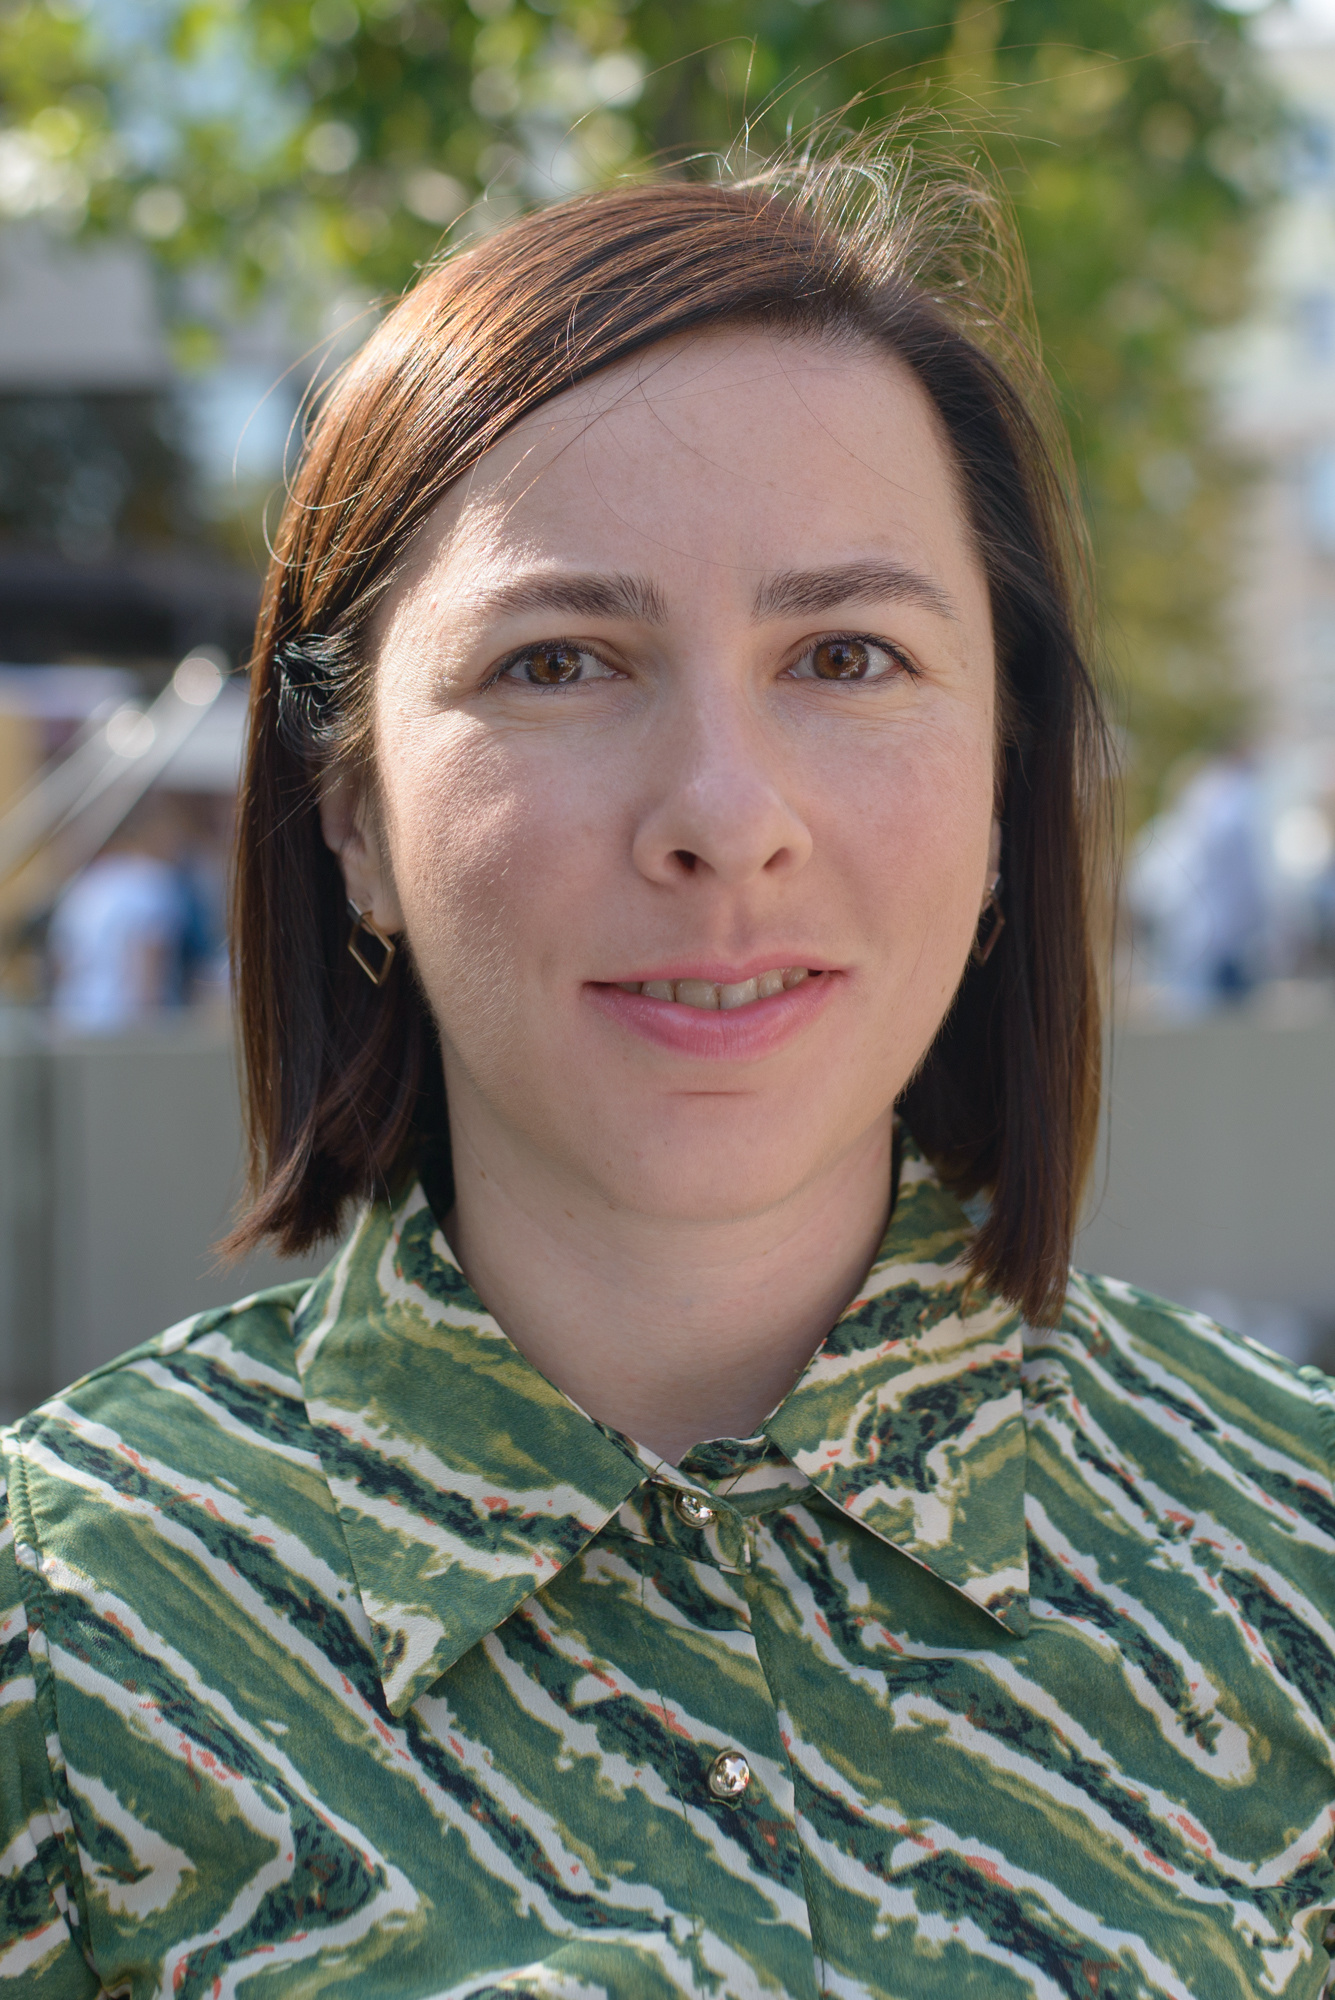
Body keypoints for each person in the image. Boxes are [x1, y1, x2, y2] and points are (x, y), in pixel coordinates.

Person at [3, 156, 1333, 2000]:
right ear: (355, 814)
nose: (724, 817)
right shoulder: (61, 1643)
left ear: (1011, 780)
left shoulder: (1296, 1563)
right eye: (561, 661)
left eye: (847, 656)